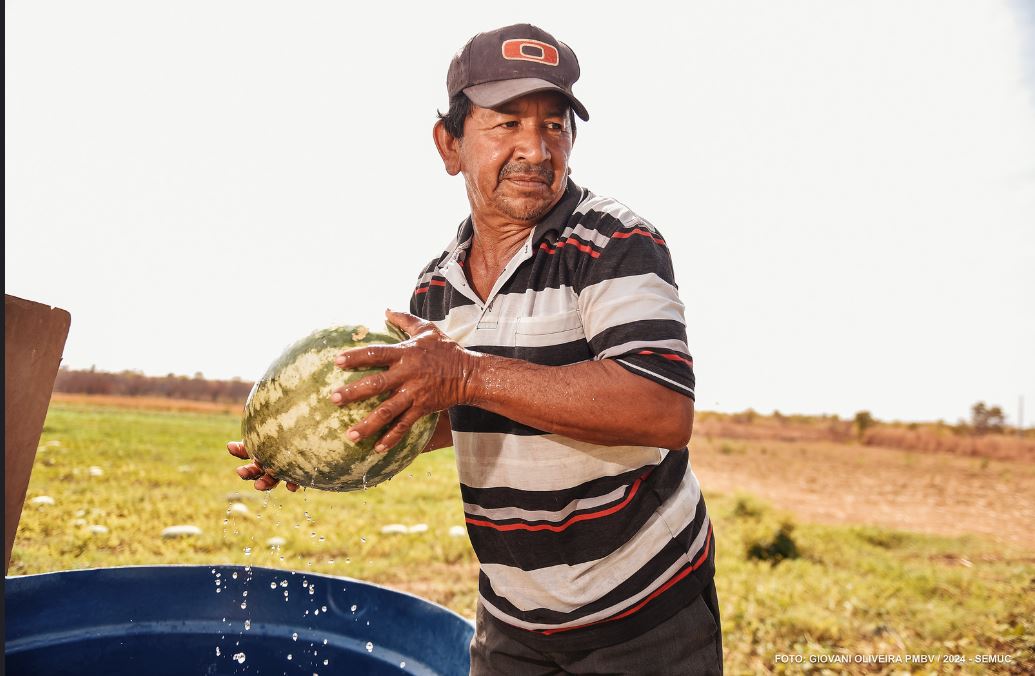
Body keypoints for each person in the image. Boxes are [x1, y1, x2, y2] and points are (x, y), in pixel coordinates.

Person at [229, 23, 721, 675]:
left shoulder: (613, 243)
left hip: (643, 616)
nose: (535, 149)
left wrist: (464, 375)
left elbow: (656, 410)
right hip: (513, 621)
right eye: (506, 124)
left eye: (553, 126)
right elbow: (459, 418)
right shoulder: (436, 289)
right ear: (450, 143)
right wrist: (336, 440)